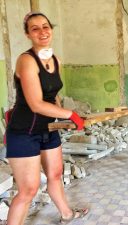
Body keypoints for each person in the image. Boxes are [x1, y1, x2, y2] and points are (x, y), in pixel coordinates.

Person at [5, 12, 88, 224]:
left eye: (45, 26)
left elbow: (52, 95)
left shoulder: (55, 60)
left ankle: (67, 214)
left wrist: (63, 119)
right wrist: (71, 114)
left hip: (48, 129)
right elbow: (36, 103)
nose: (42, 31)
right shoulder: (26, 60)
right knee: (28, 189)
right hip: (24, 131)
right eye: (35, 28)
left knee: (55, 174)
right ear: (28, 34)